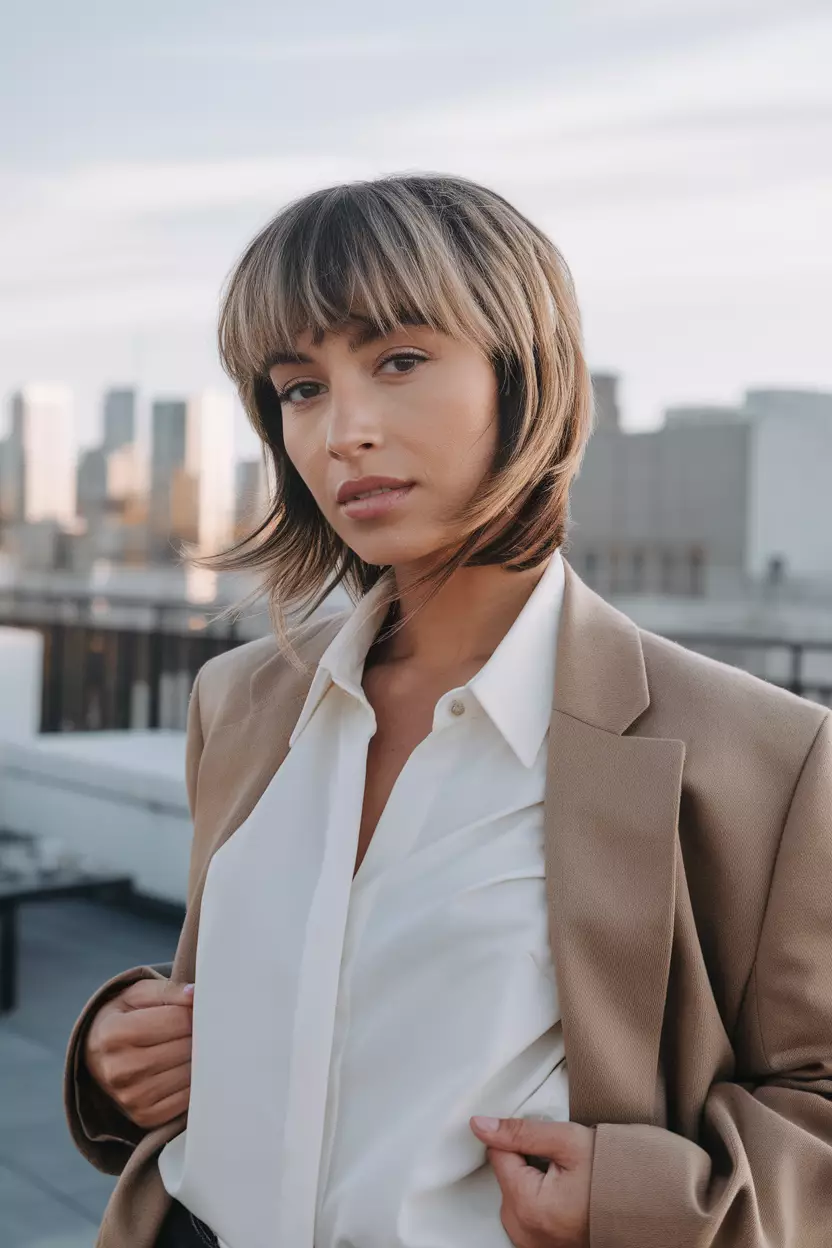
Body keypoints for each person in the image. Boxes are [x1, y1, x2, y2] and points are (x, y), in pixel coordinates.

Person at [64, 174, 832, 1248]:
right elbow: (243, 1002)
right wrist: (118, 1049)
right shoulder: (237, 702)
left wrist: (642, 1202)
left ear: (523, 373)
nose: (345, 432)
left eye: (400, 361)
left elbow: (814, 1097)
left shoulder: (759, 753)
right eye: (299, 388)